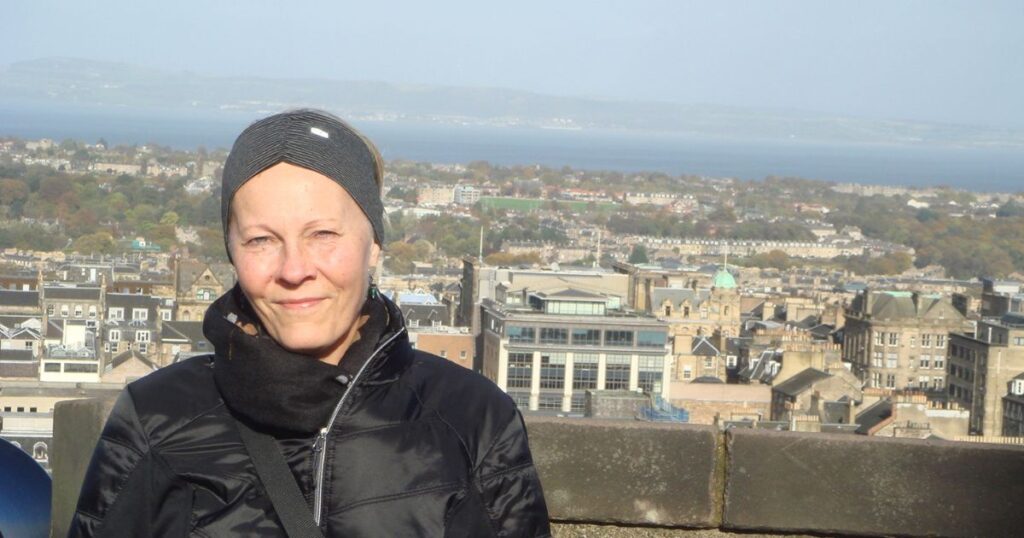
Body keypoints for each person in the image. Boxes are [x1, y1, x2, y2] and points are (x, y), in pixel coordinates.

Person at [68, 109, 551, 537]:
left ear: (375, 244)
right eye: (261, 240)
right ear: (231, 251)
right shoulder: (158, 420)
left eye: (322, 234)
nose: (294, 270)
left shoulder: (471, 421)